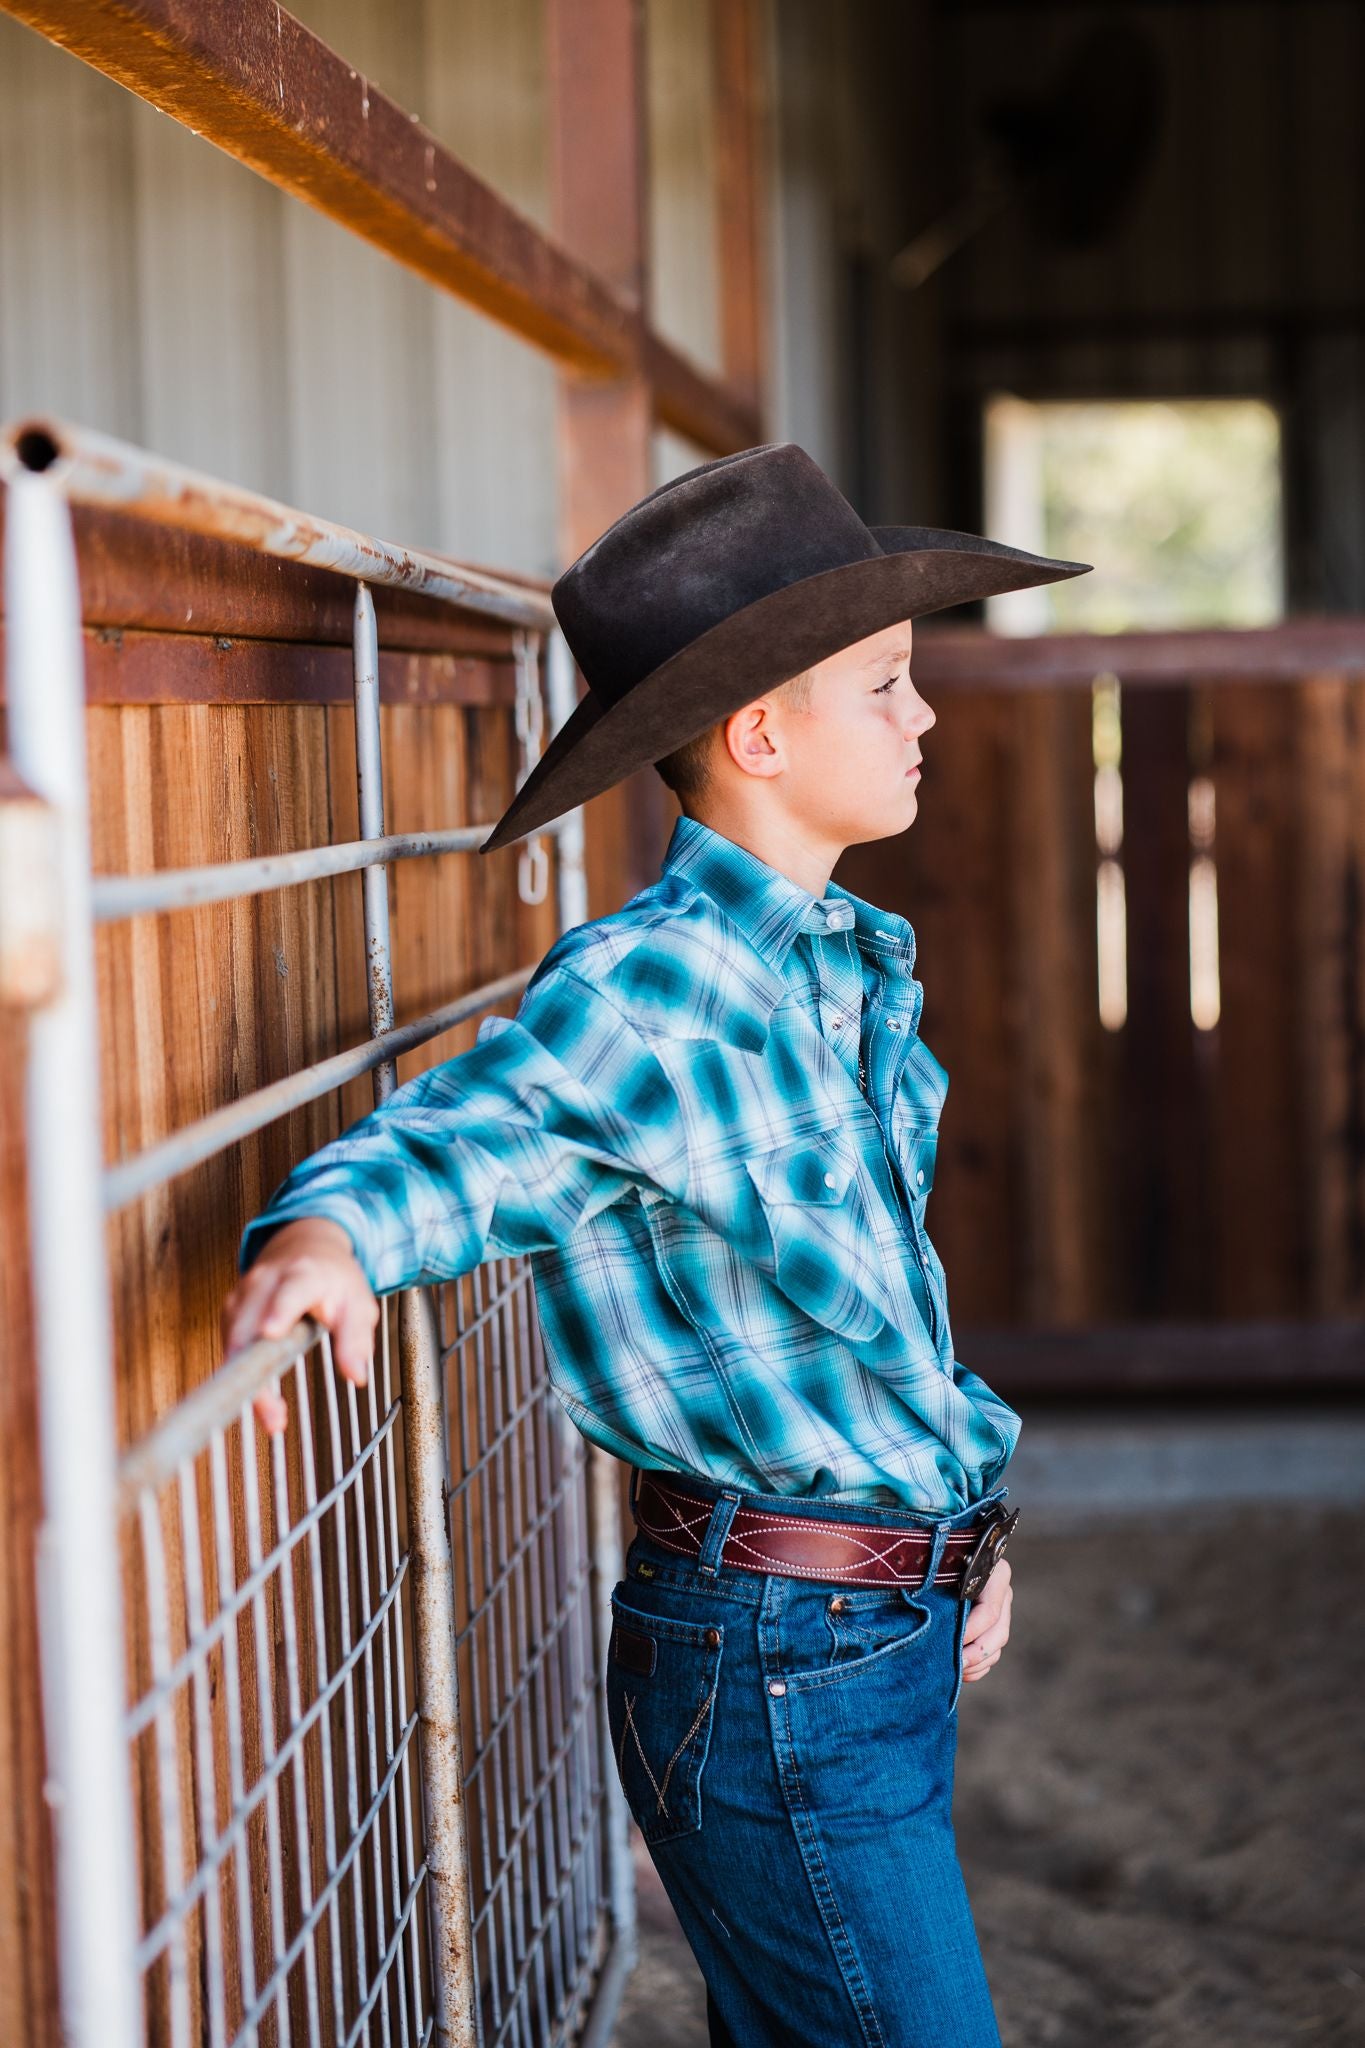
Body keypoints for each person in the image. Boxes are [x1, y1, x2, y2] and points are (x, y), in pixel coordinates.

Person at [222, 443, 1091, 2046]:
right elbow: (473, 1135)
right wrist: (333, 1230)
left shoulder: (836, 965)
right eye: (885, 686)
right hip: (777, 1655)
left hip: (868, 1625)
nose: (923, 717)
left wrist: (954, 1524)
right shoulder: (650, 984)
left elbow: (874, 1315)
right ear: (761, 735)